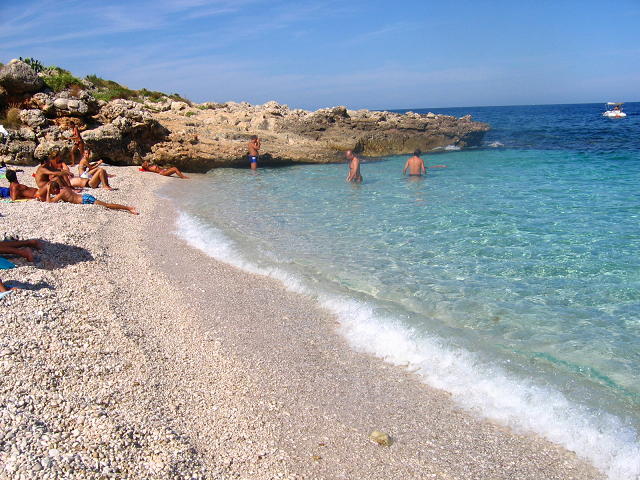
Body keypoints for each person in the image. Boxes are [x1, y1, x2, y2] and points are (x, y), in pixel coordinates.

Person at [44, 181, 138, 214]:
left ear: (54, 189)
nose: (52, 192)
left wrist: (48, 191)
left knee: (107, 205)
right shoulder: (64, 188)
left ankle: (128, 208)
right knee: (106, 205)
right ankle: (128, 208)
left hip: (85, 200)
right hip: (85, 197)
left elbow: (49, 202)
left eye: (52, 190)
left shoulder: (61, 193)